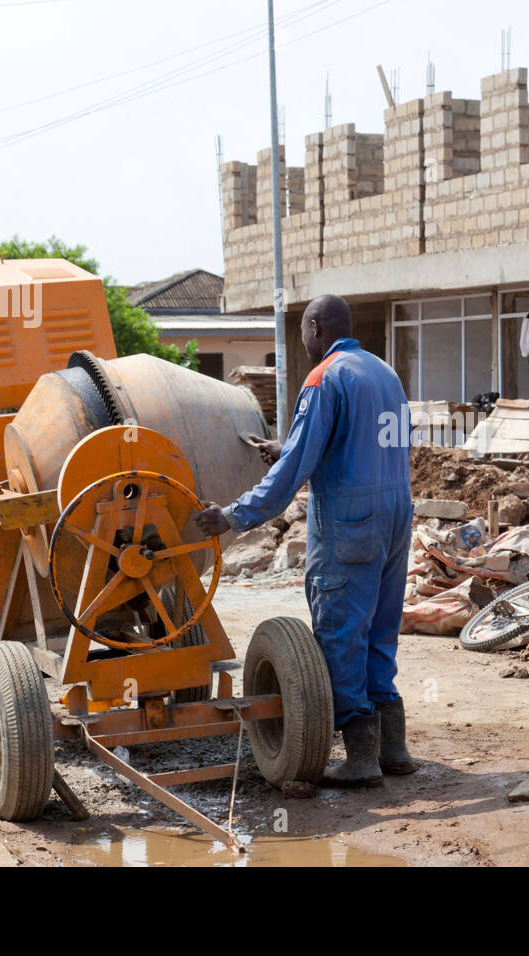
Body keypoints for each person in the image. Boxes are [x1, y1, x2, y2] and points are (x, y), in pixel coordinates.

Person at [195, 294, 416, 787]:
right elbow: (356, 444)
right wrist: (287, 448)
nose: (302, 341)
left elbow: (292, 475)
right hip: (397, 514)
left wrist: (232, 516)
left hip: (350, 521)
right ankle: (394, 748)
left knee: (341, 629)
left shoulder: (323, 378)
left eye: (302, 332)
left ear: (315, 328)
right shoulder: (385, 373)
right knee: (380, 627)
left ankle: (361, 759)